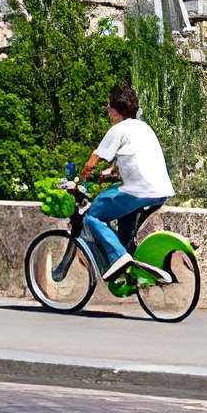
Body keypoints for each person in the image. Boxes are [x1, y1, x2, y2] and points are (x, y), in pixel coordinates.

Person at [76, 82, 173, 278]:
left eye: (108, 105)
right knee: (125, 222)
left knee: (92, 215)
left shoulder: (118, 129)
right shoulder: (143, 128)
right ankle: (129, 263)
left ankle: (119, 257)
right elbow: (127, 164)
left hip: (139, 191)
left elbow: (93, 161)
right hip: (161, 191)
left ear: (115, 109)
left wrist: (80, 179)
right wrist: (106, 176)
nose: (107, 109)